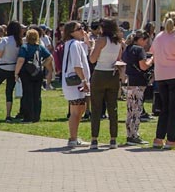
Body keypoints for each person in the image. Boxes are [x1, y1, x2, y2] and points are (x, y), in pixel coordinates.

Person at [150, 12, 175, 149]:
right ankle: (171, 140)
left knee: (164, 108)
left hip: (161, 76)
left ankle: (158, 138)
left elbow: (154, 55)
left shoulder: (158, 38)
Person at [87, 19, 123, 150]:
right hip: (113, 74)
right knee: (113, 108)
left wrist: (92, 47)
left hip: (100, 73)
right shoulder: (119, 41)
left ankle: (94, 139)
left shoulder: (101, 40)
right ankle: (113, 139)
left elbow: (92, 59)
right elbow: (118, 59)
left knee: (96, 107)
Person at [61, 22, 90, 148]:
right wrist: (84, 81)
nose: (82, 30)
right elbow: (77, 65)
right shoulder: (74, 45)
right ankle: (73, 138)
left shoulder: (73, 44)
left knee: (80, 109)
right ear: (71, 32)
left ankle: (74, 137)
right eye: (79, 29)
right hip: (75, 83)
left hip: (75, 82)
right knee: (76, 111)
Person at [14, 28, 53, 123]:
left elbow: (21, 60)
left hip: (26, 73)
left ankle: (28, 117)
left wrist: (16, 73)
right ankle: (36, 116)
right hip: (38, 72)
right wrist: (42, 65)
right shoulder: (40, 47)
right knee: (37, 95)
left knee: (27, 94)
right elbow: (50, 57)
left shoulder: (24, 47)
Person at [122, 30, 153, 145]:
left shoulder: (128, 49)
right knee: (137, 109)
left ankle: (130, 134)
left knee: (130, 109)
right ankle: (134, 135)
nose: (146, 44)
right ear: (140, 40)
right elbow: (143, 66)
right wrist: (151, 60)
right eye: (145, 41)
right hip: (139, 82)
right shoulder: (139, 50)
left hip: (129, 81)